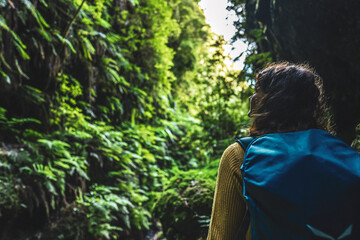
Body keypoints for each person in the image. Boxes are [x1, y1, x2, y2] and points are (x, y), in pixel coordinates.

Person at [206, 62, 337, 239]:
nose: (251, 102)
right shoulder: (334, 153)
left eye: (256, 95)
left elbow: (220, 236)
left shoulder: (241, 155)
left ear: (268, 105)